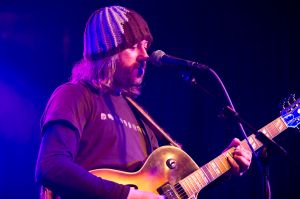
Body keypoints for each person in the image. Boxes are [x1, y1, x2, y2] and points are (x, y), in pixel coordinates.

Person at [35, 5, 252, 199]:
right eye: (133, 46)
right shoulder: (74, 95)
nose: (145, 55)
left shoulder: (140, 116)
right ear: (106, 52)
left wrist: (225, 167)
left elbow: (171, 191)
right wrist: (127, 195)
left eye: (145, 45)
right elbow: (50, 166)